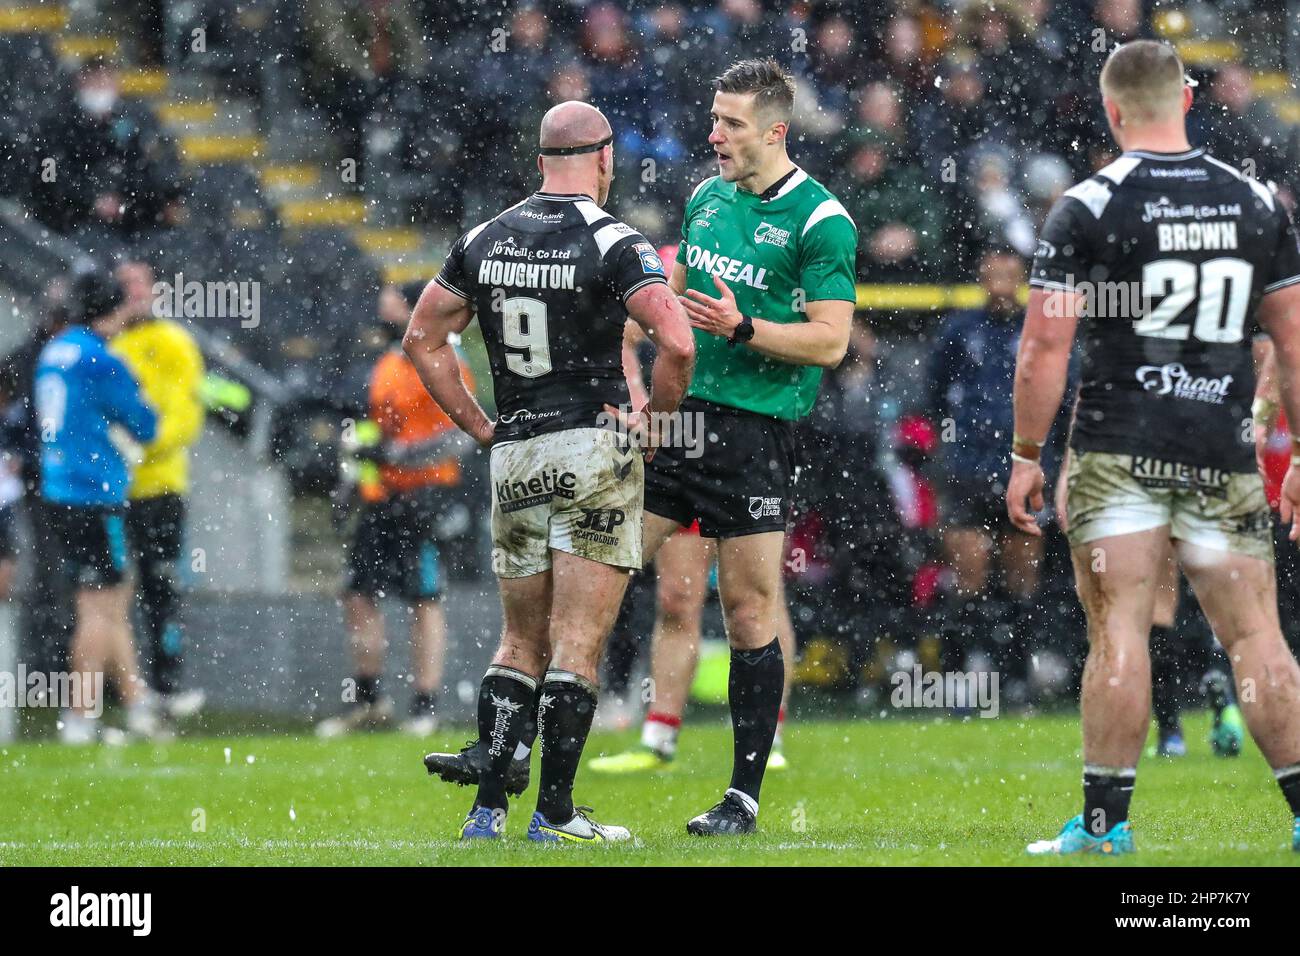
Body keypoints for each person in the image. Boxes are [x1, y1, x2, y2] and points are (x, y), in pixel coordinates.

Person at [1008, 40, 1300, 855]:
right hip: (1220, 447)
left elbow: (1043, 348)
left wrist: (1028, 453)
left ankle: (1105, 829)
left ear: (1113, 110)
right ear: (1188, 100)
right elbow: (1295, 338)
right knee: (1255, 637)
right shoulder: (1255, 201)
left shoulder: (1089, 205)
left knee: (1122, 632)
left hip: (1118, 448)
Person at [404, 100, 694, 842]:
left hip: (517, 453)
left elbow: (423, 337)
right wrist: (658, 422)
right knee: (577, 645)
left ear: (540, 162)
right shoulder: (616, 240)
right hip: (592, 446)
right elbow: (678, 341)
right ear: (605, 161)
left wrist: (480, 425)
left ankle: (485, 812)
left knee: (517, 641)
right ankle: (556, 815)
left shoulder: (484, 237)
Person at [632, 57, 857, 835]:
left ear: (774, 131)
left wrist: (746, 329)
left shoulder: (821, 220)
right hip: (679, 419)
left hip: (757, 431)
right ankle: (532, 770)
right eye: (714, 118)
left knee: (751, 605)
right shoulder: (704, 198)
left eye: (730, 122)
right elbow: (674, 312)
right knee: (595, 567)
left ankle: (743, 796)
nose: (714, 133)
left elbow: (831, 342)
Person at [318, 283, 474, 738]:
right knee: (358, 594)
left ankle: (425, 704)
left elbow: (459, 438)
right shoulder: (386, 364)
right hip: (382, 499)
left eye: (391, 306)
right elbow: (373, 435)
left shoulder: (449, 364)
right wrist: (350, 483)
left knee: (424, 598)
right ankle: (370, 700)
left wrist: (396, 456)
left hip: (425, 498)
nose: (383, 314)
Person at [36, 268, 160, 744]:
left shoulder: (56, 350)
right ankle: (81, 715)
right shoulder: (98, 358)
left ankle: (135, 700)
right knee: (100, 607)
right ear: (112, 310)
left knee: (112, 598)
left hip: (60, 487)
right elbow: (145, 423)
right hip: (93, 492)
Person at [927, 248, 1048, 697]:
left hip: (1021, 465)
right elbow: (934, 394)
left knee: (1022, 577)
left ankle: (1016, 680)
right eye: (991, 270)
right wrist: (954, 446)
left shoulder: (1037, 331)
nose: (999, 279)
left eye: (1008, 271)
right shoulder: (959, 330)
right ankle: (961, 680)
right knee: (969, 573)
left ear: (1021, 277)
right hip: (967, 469)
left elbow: (1061, 393)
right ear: (980, 276)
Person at [112, 260, 207, 718]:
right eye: (123, 286)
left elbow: (185, 415)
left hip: (160, 487)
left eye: (137, 285)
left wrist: (142, 448)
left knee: (161, 588)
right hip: (113, 490)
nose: (131, 293)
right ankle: (128, 691)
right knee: (112, 591)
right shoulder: (112, 344)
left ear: (154, 290)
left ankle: (167, 684)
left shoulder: (173, 343)